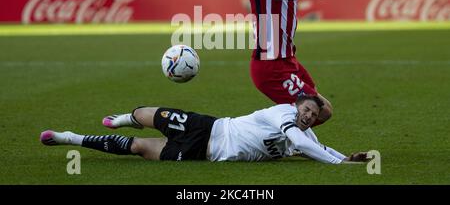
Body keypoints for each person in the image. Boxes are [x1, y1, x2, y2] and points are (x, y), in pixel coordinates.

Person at [40, 94, 368, 164]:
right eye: (307, 109)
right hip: (210, 127)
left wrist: (347, 159)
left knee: (140, 148)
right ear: (297, 106)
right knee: (148, 113)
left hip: (205, 153)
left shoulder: (304, 136)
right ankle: (126, 115)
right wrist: (339, 164)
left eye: (314, 115)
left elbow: (316, 148)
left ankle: (69, 138)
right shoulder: (282, 113)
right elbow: (307, 145)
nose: (309, 116)